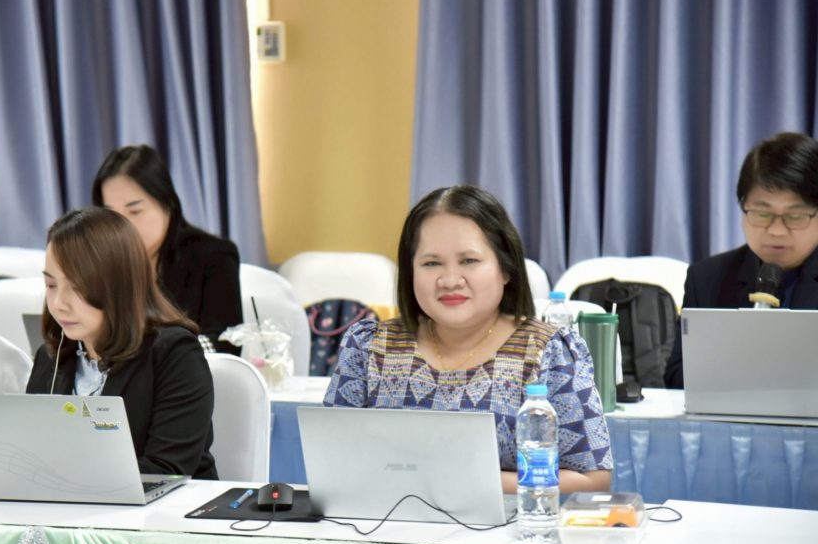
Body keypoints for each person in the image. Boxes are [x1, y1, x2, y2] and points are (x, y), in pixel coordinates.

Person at [324, 185, 613, 493]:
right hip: (380, 519)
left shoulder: (550, 353)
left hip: (510, 522)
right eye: (431, 263)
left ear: (506, 268)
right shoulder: (369, 347)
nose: (450, 280)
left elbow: (592, 479)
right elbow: (329, 460)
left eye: (469, 261)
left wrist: (470, 481)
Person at [25, 207, 218, 479]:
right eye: (51, 285)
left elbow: (166, 471)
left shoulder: (175, 354)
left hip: (169, 504)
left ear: (118, 285)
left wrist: (63, 475)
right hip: (69, 503)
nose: (58, 304)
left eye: (76, 287)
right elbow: (34, 451)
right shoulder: (51, 358)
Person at [664, 132, 818, 387]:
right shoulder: (707, 278)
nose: (776, 230)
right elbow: (677, 377)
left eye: (795, 216)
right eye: (762, 214)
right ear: (743, 207)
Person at [92, 145, 242, 354]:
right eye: (112, 215)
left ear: (167, 203)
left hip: (188, 373)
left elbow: (227, 342)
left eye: (135, 211)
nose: (122, 226)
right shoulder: (101, 262)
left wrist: (164, 357)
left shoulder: (213, 256)